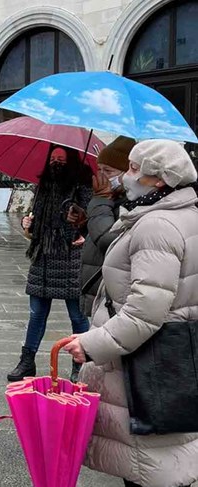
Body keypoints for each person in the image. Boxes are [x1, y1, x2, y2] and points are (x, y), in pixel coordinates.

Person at [64, 139, 198, 487]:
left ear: (159, 179)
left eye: (136, 168)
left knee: (149, 468)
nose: (127, 176)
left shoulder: (157, 225)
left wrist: (93, 344)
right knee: (168, 461)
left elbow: (144, 313)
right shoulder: (183, 215)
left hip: (148, 364)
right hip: (176, 358)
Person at [7, 146, 92, 383]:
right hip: (42, 255)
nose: (56, 163)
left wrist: (83, 226)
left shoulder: (83, 186)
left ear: (72, 161)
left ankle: (80, 363)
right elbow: (35, 223)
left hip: (70, 257)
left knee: (77, 315)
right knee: (36, 313)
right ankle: (27, 361)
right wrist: (28, 224)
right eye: (53, 158)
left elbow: (91, 220)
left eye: (61, 159)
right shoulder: (43, 186)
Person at [78, 137, 133, 316]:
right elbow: (98, 236)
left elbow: (108, 239)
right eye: (99, 170)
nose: (102, 176)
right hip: (99, 289)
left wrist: (100, 201)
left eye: (108, 171)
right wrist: (84, 224)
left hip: (113, 295)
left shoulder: (131, 202)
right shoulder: (114, 197)